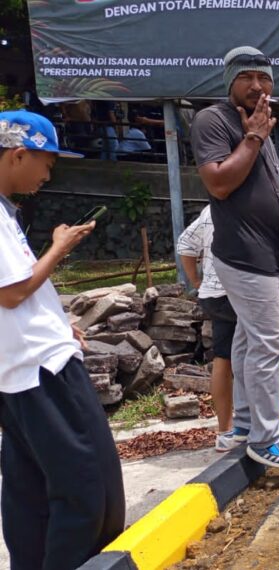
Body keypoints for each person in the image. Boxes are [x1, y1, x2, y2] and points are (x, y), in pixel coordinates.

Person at [0, 110, 125, 568]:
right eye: (47, 163)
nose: (48, 175)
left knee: (28, 491)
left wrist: (56, 320)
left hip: (16, 372)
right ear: (18, 155)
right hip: (42, 369)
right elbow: (12, 290)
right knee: (91, 487)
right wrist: (60, 246)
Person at [191, 46, 279, 467]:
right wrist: (253, 137)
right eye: (246, 77)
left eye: (264, 78)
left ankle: (250, 422)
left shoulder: (263, 120)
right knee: (267, 344)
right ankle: (264, 439)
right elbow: (219, 184)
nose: (256, 85)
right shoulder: (214, 120)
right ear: (229, 81)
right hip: (245, 255)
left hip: (270, 253)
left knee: (249, 342)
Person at [177, 206, 279, 450]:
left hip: (215, 295)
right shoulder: (254, 209)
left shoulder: (211, 209)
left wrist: (196, 281)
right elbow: (275, 257)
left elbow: (185, 244)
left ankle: (227, 431)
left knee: (225, 355)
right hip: (244, 289)